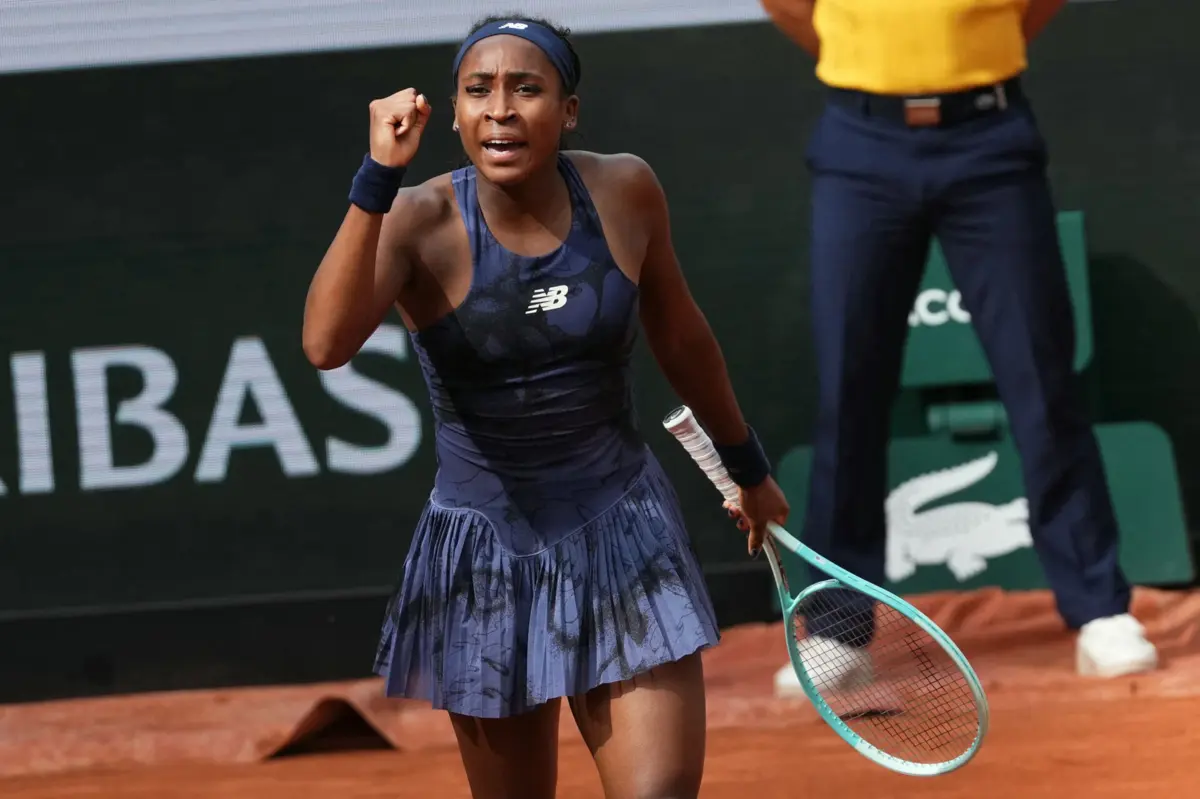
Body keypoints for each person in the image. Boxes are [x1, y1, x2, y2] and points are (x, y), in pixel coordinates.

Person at [302, 14, 790, 799]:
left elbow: (682, 337)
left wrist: (748, 467)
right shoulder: (419, 220)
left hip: (624, 537)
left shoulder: (624, 189)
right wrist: (376, 176)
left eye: (527, 89)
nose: (500, 109)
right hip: (483, 559)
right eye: (478, 90)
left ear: (568, 110)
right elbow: (325, 344)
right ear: (454, 113)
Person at [753, 0, 1159, 696]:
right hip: (860, 141)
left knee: (1042, 381)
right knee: (849, 394)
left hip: (990, 140)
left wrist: (970, 52)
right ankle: (840, 629)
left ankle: (1100, 610)